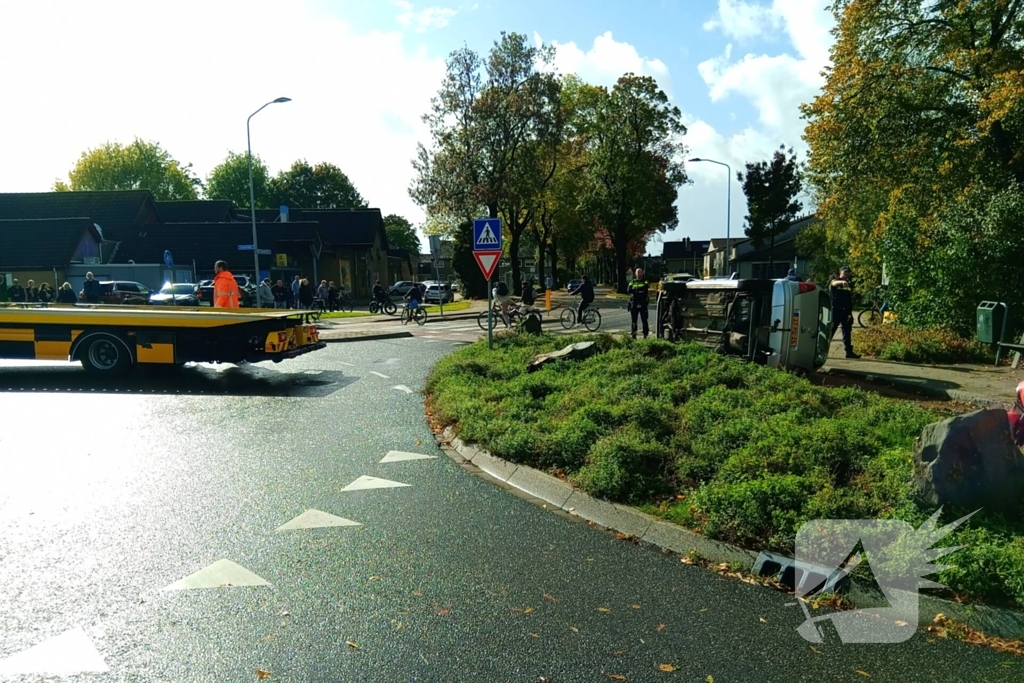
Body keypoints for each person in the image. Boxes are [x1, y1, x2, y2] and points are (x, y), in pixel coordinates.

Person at [829, 266, 860, 359]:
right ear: (840, 272)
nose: (846, 273)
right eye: (844, 272)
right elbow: (833, 284)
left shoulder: (849, 283)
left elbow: (849, 296)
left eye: (848, 272)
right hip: (836, 310)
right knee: (831, 331)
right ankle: (820, 350)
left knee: (847, 331)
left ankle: (849, 352)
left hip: (846, 310)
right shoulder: (835, 280)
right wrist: (842, 282)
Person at [627, 268, 650, 339]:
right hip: (634, 302)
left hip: (643, 302)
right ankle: (634, 335)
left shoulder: (645, 281)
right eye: (638, 272)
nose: (639, 273)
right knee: (634, 320)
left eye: (640, 272)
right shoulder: (632, 281)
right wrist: (638, 291)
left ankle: (645, 335)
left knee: (644, 319)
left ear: (642, 273)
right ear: (635, 274)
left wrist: (635, 291)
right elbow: (628, 290)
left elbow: (645, 288)